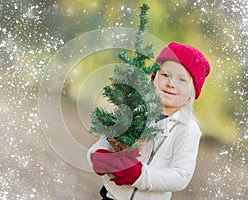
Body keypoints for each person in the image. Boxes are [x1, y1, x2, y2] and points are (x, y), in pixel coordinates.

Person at [87, 41, 211, 200]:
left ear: (192, 92)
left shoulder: (188, 129)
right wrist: (99, 155)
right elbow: (108, 140)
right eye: (165, 75)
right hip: (111, 197)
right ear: (154, 77)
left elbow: (180, 176)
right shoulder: (136, 110)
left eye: (182, 80)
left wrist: (140, 175)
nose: (171, 84)